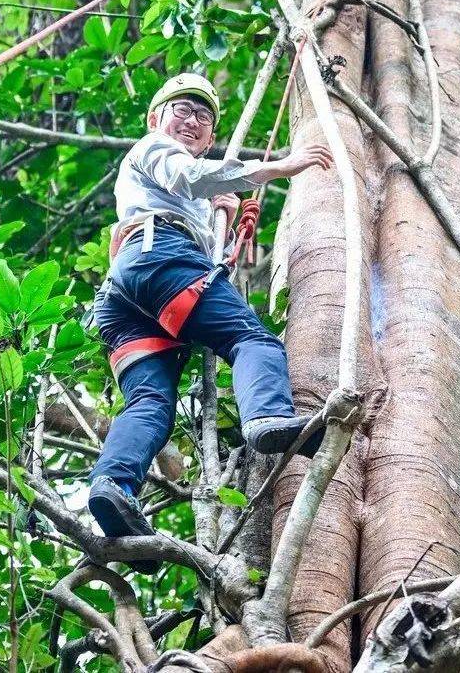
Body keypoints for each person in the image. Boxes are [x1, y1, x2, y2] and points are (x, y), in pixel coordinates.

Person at [86, 72, 334, 568]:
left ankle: (113, 486)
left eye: (204, 116)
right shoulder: (153, 148)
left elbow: (198, 206)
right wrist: (278, 167)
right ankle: (266, 418)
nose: (193, 121)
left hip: (130, 295)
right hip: (157, 258)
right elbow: (190, 175)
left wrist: (220, 218)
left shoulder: (182, 190)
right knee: (252, 340)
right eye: (183, 109)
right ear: (157, 118)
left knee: (151, 404)